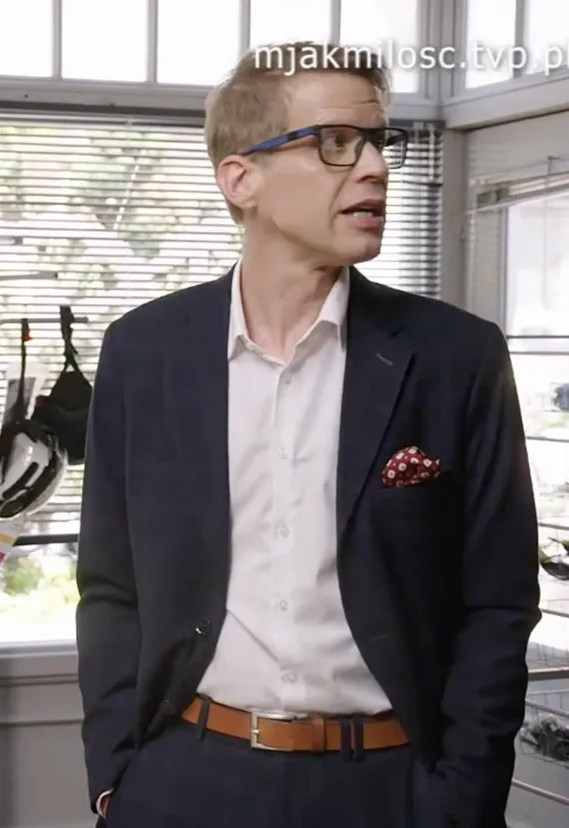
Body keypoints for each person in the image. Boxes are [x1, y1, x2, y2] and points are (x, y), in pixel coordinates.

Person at [75, 42, 540, 828]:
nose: (374, 168)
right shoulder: (143, 353)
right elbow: (111, 586)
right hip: (186, 779)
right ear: (241, 178)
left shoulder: (456, 357)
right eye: (335, 143)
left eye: (378, 142)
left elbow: (499, 602)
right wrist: (118, 776)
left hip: (393, 789)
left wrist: (463, 797)